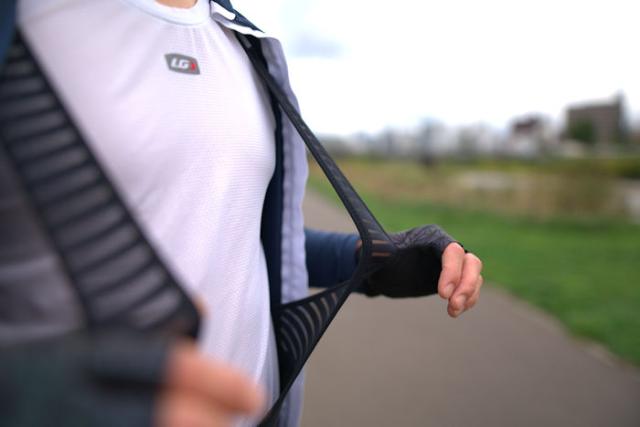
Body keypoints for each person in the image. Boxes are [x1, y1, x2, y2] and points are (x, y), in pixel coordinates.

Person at [0, 0, 484, 426]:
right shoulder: (27, 22)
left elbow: (238, 237)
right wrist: (24, 396)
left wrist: (369, 260)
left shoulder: (247, 44)